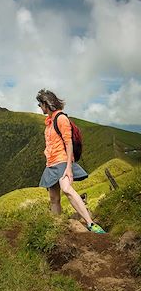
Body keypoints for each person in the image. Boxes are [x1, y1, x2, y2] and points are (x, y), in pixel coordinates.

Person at [37, 89, 106, 234]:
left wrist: (69, 168)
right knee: (53, 198)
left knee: (67, 189)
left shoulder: (61, 118)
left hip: (62, 161)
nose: (39, 108)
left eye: (40, 104)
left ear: (46, 103)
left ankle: (90, 223)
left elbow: (68, 143)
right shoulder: (49, 122)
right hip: (51, 164)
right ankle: (57, 228)